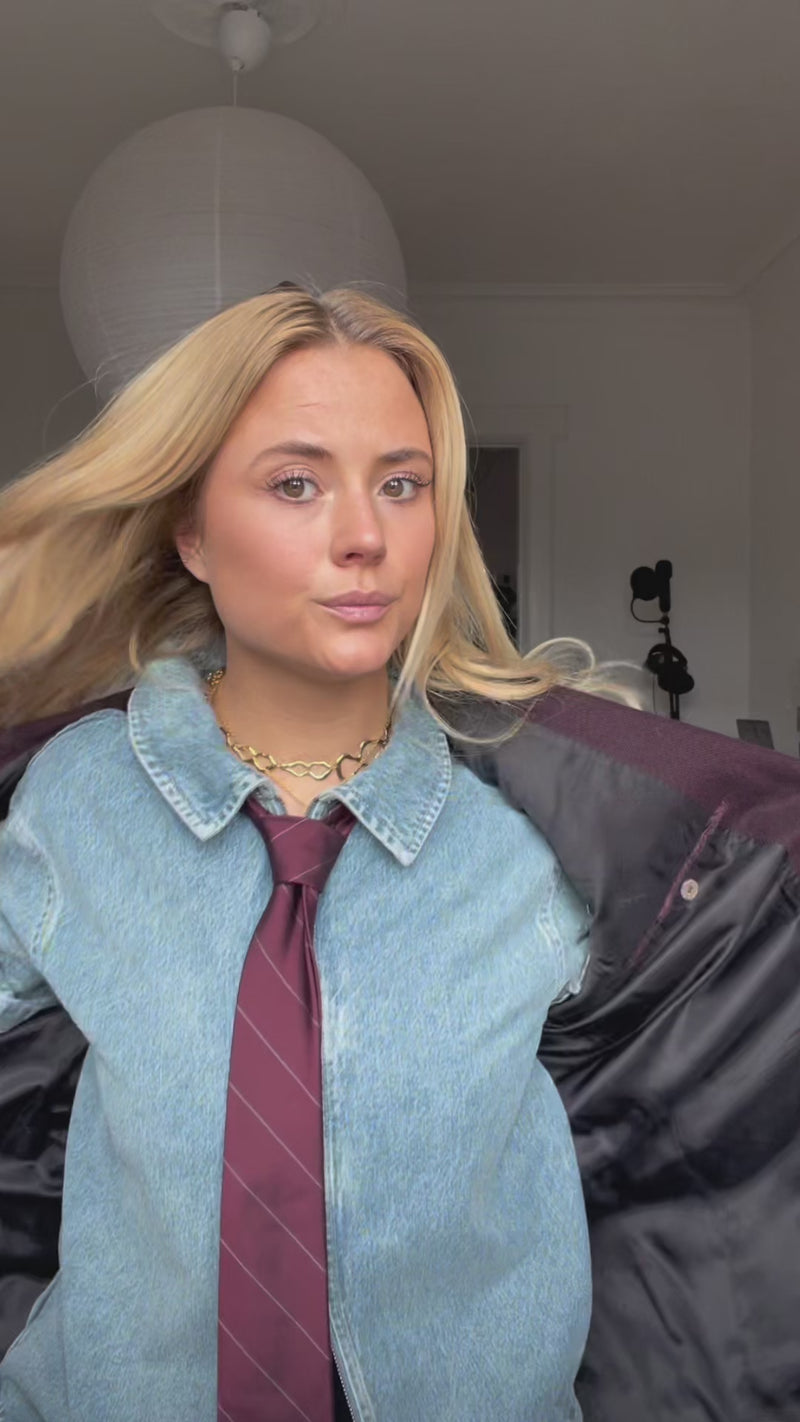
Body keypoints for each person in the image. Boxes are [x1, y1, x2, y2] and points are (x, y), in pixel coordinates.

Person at [0, 286, 619, 1421]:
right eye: (296, 483)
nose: (365, 537)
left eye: (401, 484)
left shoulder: (543, 824)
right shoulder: (76, 801)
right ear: (191, 532)